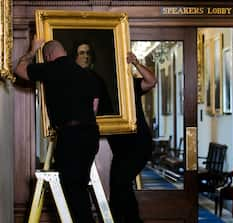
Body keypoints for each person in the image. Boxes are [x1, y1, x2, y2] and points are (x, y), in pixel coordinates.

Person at [14, 36, 100, 223]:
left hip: (71, 136)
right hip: (91, 134)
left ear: (49, 55)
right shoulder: (85, 74)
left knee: (72, 190)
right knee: (79, 188)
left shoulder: (52, 67)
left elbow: (19, 70)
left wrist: (32, 50)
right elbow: (94, 106)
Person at [108, 52, 157, 223]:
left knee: (120, 184)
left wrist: (135, 62)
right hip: (120, 149)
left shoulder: (130, 84)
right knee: (117, 187)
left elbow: (151, 81)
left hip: (138, 144)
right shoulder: (100, 87)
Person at [72, 40, 117, 115]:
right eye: (82, 53)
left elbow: (107, 109)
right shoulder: (70, 79)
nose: (86, 56)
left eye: (88, 53)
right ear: (75, 57)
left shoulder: (99, 80)